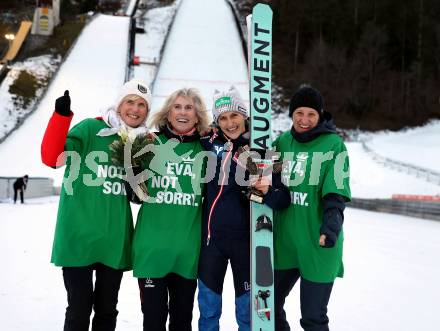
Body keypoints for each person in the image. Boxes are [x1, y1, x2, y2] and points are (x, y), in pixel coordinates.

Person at [41, 79, 152, 331]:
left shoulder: (144, 143)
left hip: (113, 241)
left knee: (106, 311)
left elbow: (141, 196)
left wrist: (137, 171)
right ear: (119, 103)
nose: (135, 109)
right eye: (130, 102)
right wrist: (60, 118)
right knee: (79, 309)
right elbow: (52, 158)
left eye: (142, 105)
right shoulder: (91, 128)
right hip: (79, 238)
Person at [197, 86, 290, 331]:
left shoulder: (264, 150)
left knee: (248, 317)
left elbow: (283, 199)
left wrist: (267, 190)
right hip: (211, 242)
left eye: (234, 116)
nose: (230, 123)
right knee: (208, 313)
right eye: (223, 118)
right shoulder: (206, 144)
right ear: (216, 122)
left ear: (245, 116)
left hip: (247, 244)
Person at [272, 85, 351, 331]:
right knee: (267, 306)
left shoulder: (333, 145)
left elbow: (336, 193)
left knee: (313, 317)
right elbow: (263, 178)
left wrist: (331, 226)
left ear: (320, 116)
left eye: (311, 114)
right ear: (291, 114)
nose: (304, 120)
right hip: (285, 242)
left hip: (318, 241)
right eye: (299, 113)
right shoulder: (282, 142)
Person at [132, 87, 210, 331]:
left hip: (187, 254)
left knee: (181, 322)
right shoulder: (150, 143)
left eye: (189, 108)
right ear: (168, 113)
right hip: (152, 251)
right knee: (153, 321)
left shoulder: (207, 151)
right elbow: (135, 194)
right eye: (177, 107)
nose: (183, 112)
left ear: (198, 116)